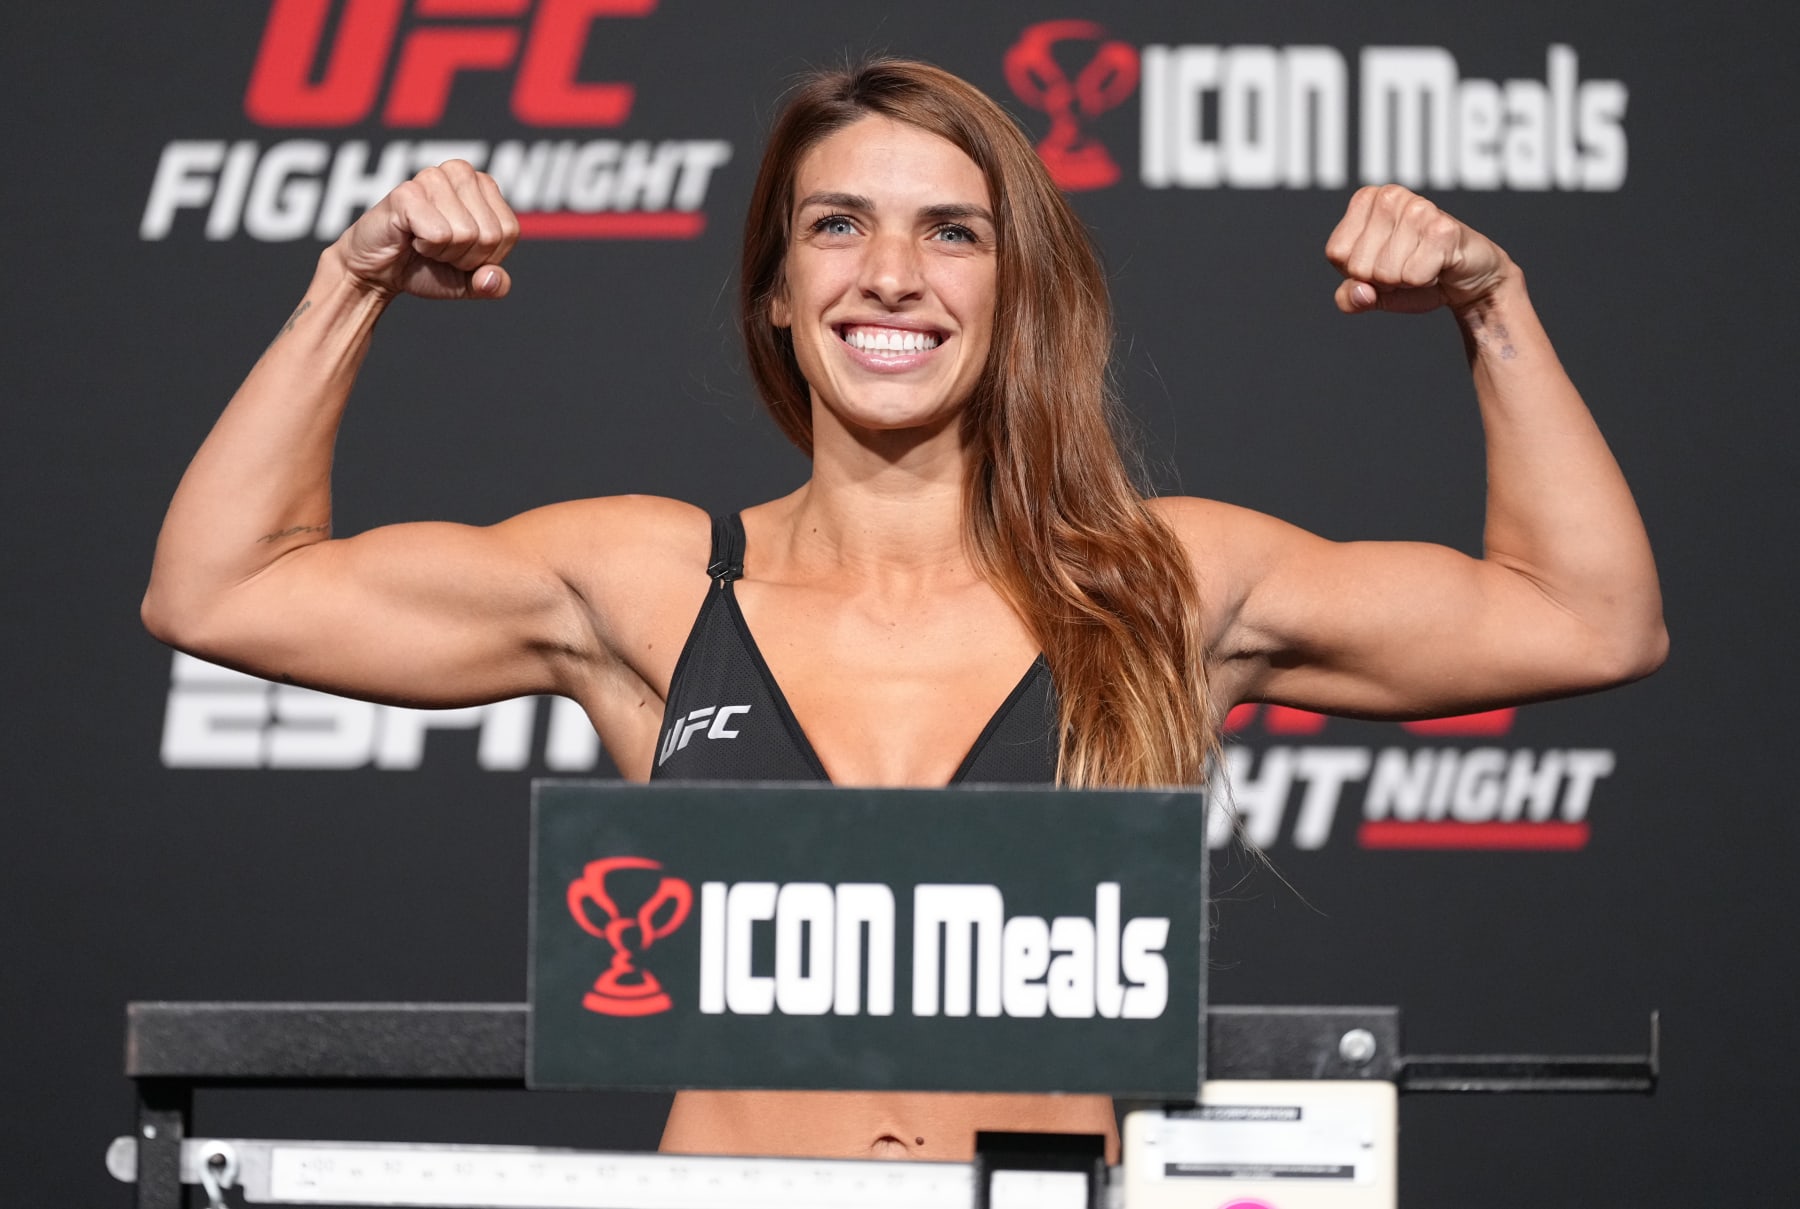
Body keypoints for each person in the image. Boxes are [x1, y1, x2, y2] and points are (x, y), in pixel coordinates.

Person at [142, 59, 1666, 1161]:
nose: (891, 277)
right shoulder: (653, 582)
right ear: (775, 295)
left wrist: (1492, 303)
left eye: (953, 231)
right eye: (836, 227)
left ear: (1019, 291)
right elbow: (220, 586)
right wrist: (355, 280)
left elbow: (1589, 619)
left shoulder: (1157, 583)